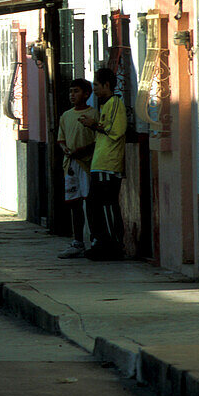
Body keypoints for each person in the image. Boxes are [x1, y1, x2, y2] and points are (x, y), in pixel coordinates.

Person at [79, 67, 128, 260]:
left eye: (97, 85)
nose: (95, 89)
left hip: (109, 164)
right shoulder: (104, 105)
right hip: (99, 163)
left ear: (107, 85)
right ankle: (100, 242)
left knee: (108, 205)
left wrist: (93, 124)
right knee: (93, 204)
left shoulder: (115, 103)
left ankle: (115, 245)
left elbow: (115, 130)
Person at [56, 78, 97, 259]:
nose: (72, 95)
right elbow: (61, 138)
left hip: (88, 164)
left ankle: (95, 239)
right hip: (71, 165)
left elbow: (98, 140)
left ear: (87, 94)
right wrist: (65, 148)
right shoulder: (66, 116)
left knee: (91, 202)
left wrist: (83, 151)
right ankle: (78, 241)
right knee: (74, 203)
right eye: (71, 91)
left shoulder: (94, 114)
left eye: (76, 91)